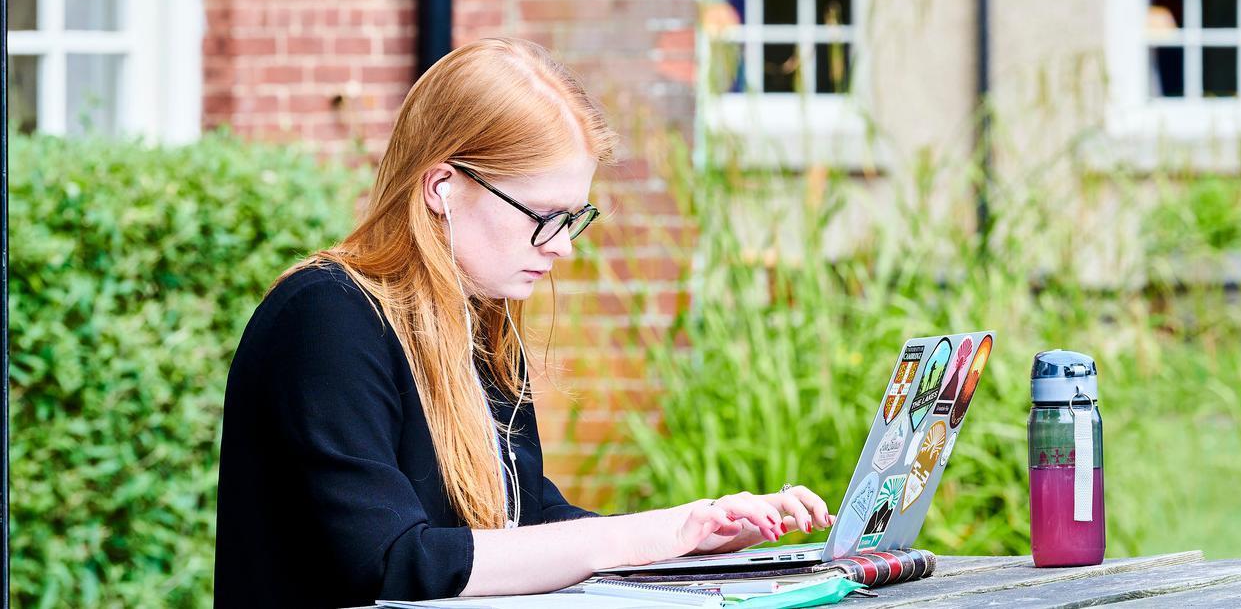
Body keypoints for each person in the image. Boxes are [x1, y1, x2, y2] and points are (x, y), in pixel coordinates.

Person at [215, 37, 833, 607]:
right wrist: (647, 534)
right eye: (543, 214)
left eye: (573, 217)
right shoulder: (326, 317)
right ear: (442, 186)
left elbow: (526, 520)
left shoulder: (478, 319)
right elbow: (391, 561)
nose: (562, 246)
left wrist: (695, 534)